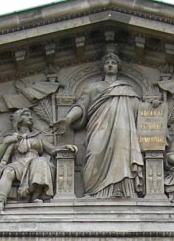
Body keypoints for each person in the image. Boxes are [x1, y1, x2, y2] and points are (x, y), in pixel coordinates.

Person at [52, 47, 144, 198]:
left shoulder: (127, 89)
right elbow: (81, 106)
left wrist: (154, 108)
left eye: (113, 62)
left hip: (122, 132)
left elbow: (139, 111)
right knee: (94, 152)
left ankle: (121, 190)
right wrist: (68, 119)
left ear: (118, 66)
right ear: (103, 66)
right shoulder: (93, 87)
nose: (109, 64)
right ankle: (94, 192)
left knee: (122, 156)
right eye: (107, 62)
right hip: (98, 127)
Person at [0, 108, 76, 211]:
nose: (31, 117)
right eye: (27, 115)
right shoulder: (10, 137)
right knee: (8, 172)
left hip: (34, 162)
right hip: (17, 163)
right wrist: (7, 142)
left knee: (41, 162)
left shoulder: (38, 136)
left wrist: (65, 147)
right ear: (19, 119)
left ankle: (35, 196)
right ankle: (0, 202)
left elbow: (52, 150)